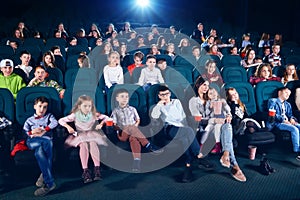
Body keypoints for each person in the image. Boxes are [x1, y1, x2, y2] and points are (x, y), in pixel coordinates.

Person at [151, 85, 214, 183]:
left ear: (170, 94)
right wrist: (159, 105)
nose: (165, 96)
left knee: (185, 138)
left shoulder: (176, 102)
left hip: (181, 127)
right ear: (159, 96)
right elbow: (154, 116)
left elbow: (182, 116)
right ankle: (200, 156)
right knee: (189, 131)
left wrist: (184, 127)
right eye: (162, 95)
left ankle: (188, 165)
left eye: (167, 94)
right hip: (169, 129)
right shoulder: (158, 106)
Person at [189, 76, 247, 182]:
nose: (206, 87)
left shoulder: (212, 98)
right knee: (225, 130)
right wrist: (213, 120)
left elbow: (224, 110)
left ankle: (227, 157)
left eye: (207, 85)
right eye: (204, 85)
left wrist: (228, 115)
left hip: (218, 126)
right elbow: (197, 120)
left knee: (227, 126)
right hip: (203, 129)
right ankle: (233, 164)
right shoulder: (193, 101)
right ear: (198, 85)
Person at [58, 95, 108, 183]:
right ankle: (85, 171)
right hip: (80, 134)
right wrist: (68, 127)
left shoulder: (93, 114)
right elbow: (61, 120)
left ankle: (97, 169)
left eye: (89, 106)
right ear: (79, 106)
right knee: (83, 144)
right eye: (85, 106)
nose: (87, 108)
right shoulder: (75, 115)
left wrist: (101, 124)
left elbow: (106, 118)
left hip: (91, 133)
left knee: (93, 143)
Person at [111, 88, 163, 172]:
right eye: (122, 97)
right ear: (117, 99)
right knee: (131, 128)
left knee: (134, 139)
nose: (125, 99)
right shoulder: (115, 111)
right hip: (122, 134)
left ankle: (136, 162)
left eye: (127, 97)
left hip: (133, 132)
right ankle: (148, 145)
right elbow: (114, 125)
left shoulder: (132, 109)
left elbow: (138, 120)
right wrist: (125, 128)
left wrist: (134, 126)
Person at [24, 96, 58, 196]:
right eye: (40, 106)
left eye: (45, 107)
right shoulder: (29, 120)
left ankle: (47, 179)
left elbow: (55, 123)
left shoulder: (49, 116)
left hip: (45, 139)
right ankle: (48, 180)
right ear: (35, 106)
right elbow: (24, 132)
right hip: (33, 140)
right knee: (45, 144)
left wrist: (45, 130)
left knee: (40, 151)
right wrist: (32, 131)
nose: (42, 109)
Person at [266, 87, 300, 162]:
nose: (288, 95)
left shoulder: (287, 104)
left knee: (299, 126)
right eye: (286, 92)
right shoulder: (272, 101)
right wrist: (283, 120)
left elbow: (290, 114)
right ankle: (297, 151)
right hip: (277, 123)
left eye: (289, 94)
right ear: (279, 92)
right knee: (294, 129)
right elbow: (272, 113)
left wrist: (292, 119)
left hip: (287, 122)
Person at [203, 87, 231, 153]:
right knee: (207, 128)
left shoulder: (221, 100)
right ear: (207, 96)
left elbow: (228, 110)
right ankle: (202, 145)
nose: (213, 94)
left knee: (217, 127)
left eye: (214, 92)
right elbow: (206, 114)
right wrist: (210, 108)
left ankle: (217, 145)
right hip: (212, 119)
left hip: (221, 118)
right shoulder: (208, 102)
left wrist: (225, 104)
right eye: (210, 93)